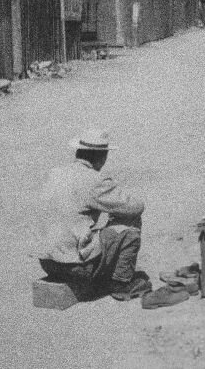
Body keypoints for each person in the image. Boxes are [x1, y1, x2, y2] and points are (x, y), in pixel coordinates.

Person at [38, 129, 149, 301]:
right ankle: (121, 283)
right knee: (130, 224)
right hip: (74, 266)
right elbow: (135, 207)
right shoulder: (94, 180)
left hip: (47, 262)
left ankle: (97, 270)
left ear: (78, 151)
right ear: (102, 156)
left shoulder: (55, 173)